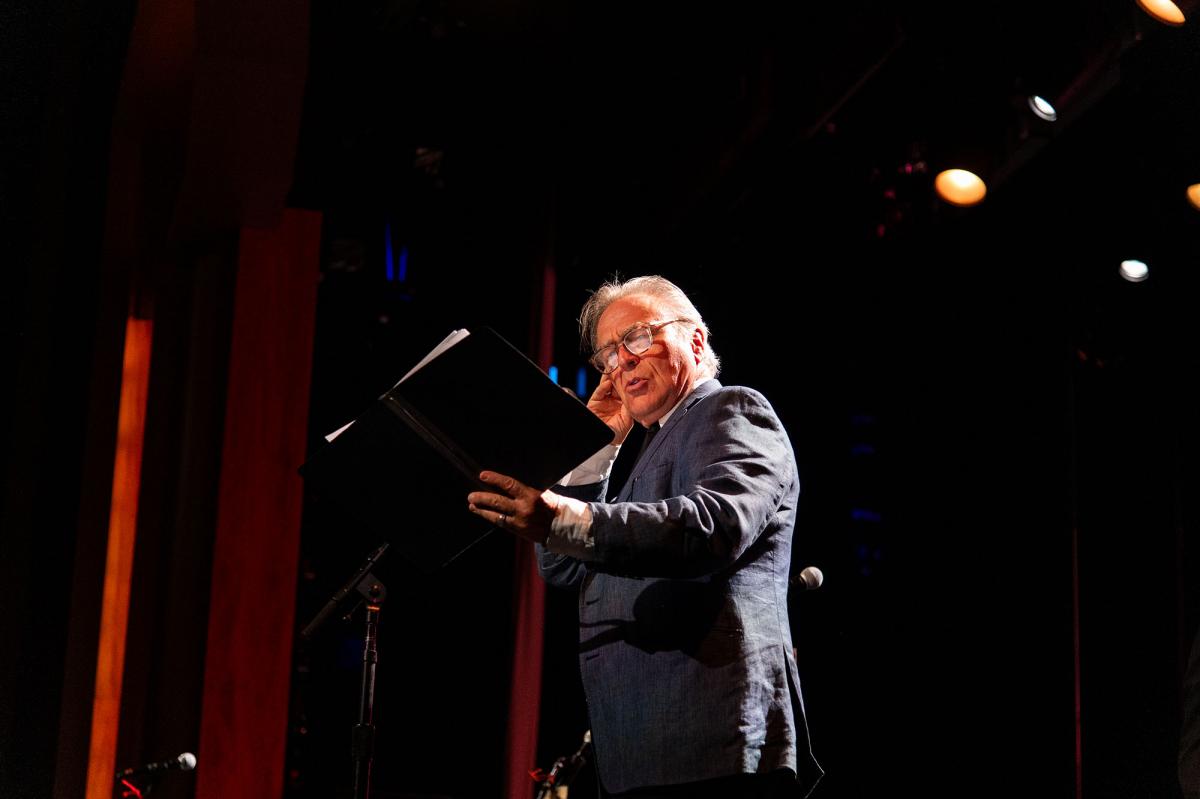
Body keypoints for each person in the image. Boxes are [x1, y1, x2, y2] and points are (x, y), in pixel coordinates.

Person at [467, 275, 821, 798]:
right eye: (609, 354)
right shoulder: (647, 451)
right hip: (636, 750)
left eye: (636, 338)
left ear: (695, 340)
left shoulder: (732, 409)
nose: (622, 362)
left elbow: (712, 526)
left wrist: (563, 518)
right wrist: (596, 448)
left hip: (714, 739)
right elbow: (562, 566)